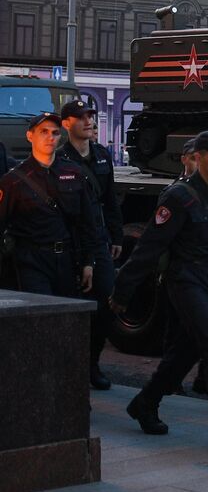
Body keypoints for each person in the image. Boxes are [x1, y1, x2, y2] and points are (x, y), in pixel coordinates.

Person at [112, 131, 208, 455]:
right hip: (187, 278)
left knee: (186, 351)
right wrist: (123, 291)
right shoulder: (178, 197)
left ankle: (146, 401)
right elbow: (149, 248)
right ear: (199, 158)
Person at [57, 100, 123, 390]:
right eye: (81, 117)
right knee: (72, 308)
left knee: (107, 305)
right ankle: (70, 369)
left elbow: (110, 198)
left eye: (91, 117)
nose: (89, 122)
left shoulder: (101, 156)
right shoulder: (59, 159)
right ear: (66, 124)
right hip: (72, 244)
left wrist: (117, 236)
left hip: (99, 241)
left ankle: (92, 363)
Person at [0, 112, 98, 301]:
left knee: (67, 315)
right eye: (43, 132)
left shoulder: (73, 173)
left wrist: (88, 262)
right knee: (41, 315)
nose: (50, 137)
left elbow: (87, 221)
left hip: (67, 260)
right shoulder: (13, 181)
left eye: (55, 133)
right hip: (31, 261)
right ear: (30, 136)